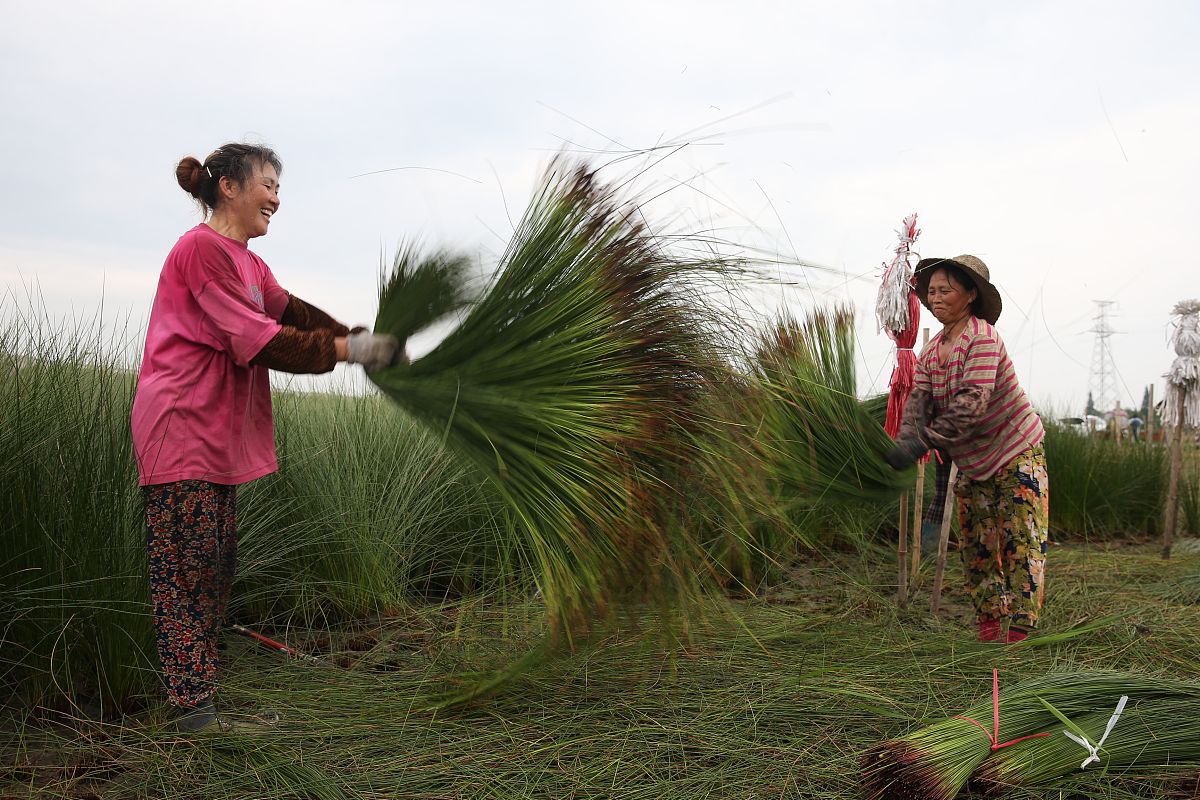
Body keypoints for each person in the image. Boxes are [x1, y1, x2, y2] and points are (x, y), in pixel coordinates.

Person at [131, 142, 401, 731]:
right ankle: (195, 716)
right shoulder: (201, 250)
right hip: (181, 429)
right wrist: (348, 351)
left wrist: (351, 337)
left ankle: (197, 699)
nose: (277, 198)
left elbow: (290, 312)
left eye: (279, 187)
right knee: (188, 569)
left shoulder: (250, 264)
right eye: (268, 185)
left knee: (216, 565)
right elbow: (258, 337)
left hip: (214, 436)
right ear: (229, 186)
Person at [884, 255, 1048, 644]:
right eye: (933, 292)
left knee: (1019, 541)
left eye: (946, 291)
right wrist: (905, 440)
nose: (936, 299)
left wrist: (920, 443)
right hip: (972, 461)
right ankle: (990, 631)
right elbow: (919, 405)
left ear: (971, 295)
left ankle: (1020, 638)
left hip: (1015, 451)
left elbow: (971, 404)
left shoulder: (983, 338)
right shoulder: (930, 354)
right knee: (977, 544)